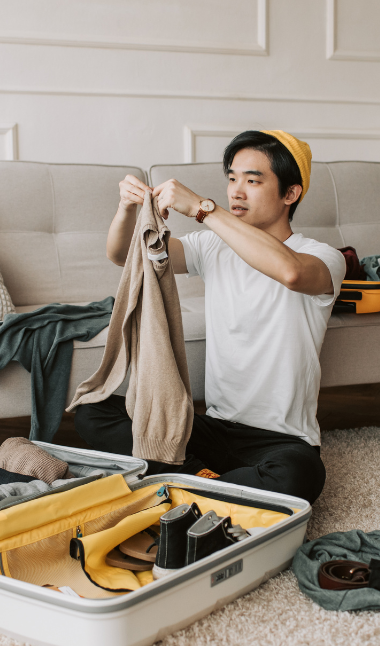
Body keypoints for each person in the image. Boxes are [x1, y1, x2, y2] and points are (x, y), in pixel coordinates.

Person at [74, 130, 345, 503]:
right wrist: (127, 209)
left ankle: (181, 479)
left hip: (281, 440)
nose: (236, 191)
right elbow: (124, 255)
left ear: (290, 193)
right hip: (211, 428)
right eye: (232, 178)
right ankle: (205, 480)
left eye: (252, 180)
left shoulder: (322, 256)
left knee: (300, 474)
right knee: (93, 409)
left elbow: (291, 273)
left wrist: (204, 209)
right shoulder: (211, 246)